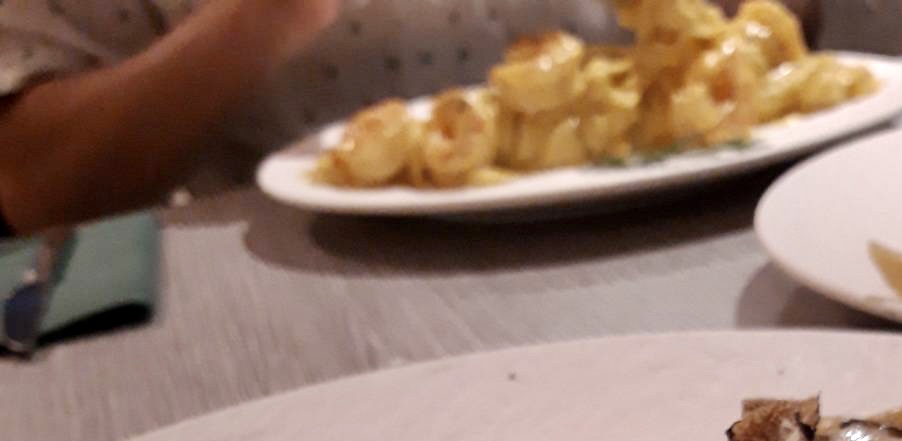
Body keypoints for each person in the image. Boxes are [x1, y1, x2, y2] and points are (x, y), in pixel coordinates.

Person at [0, 1, 819, 235]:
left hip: (691, 228)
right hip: (305, 297)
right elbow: (36, 183)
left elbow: (781, 28)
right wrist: (264, 16)